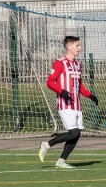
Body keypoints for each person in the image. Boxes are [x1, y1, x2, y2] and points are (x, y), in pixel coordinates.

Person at [39, 36, 98, 168]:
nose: (79, 48)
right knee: (74, 132)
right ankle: (46, 145)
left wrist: (90, 95)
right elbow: (49, 82)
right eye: (77, 45)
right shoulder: (59, 63)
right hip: (64, 104)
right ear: (69, 47)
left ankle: (61, 161)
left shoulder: (78, 64)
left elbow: (79, 85)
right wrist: (61, 91)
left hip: (76, 104)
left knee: (76, 135)